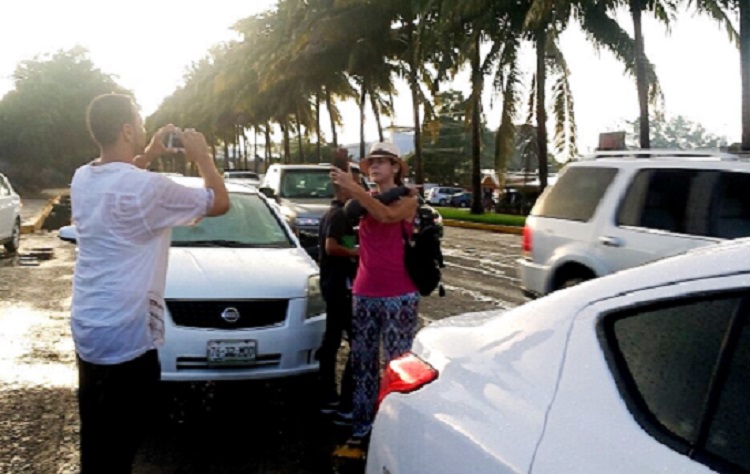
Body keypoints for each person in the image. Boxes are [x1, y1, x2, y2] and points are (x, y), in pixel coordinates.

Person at [70, 93, 229, 473]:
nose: (144, 129)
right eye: (139, 124)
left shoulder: (83, 178)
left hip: (89, 326)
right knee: (121, 447)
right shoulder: (150, 188)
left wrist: (150, 153)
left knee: (96, 436)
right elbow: (219, 202)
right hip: (127, 335)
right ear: (127, 130)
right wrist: (203, 158)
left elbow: (121, 183)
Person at [329, 142, 419, 450]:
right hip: (364, 292)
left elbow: (386, 216)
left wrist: (355, 189)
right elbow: (349, 214)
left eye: (383, 161)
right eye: (372, 162)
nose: (376, 166)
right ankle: (362, 427)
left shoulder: (408, 199)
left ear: (395, 168)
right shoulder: (363, 199)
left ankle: (394, 429)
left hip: (399, 294)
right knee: (362, 364)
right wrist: (350, 188)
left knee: (396, 367)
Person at [317, 149, 358, 423]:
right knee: (356, 343)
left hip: (334, 287)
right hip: (341, 289)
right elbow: (332, 247)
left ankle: (328, 396)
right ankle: (344, 401)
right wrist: (358, 252)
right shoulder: (339, 215)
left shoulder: (336, 213)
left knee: (332, 342)